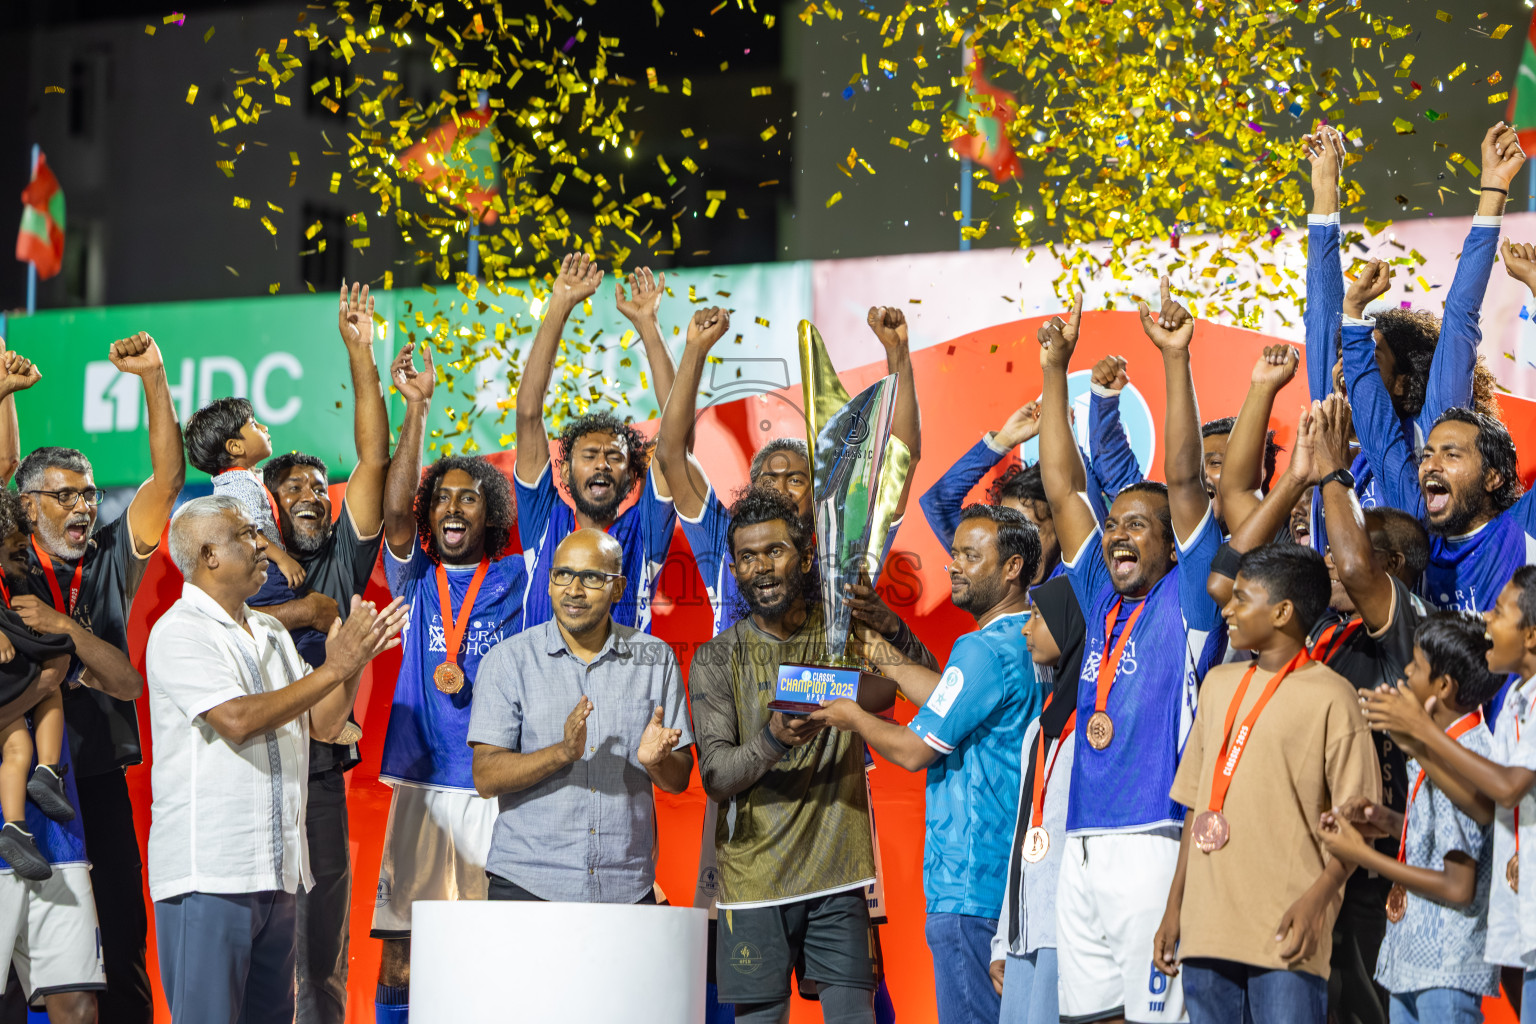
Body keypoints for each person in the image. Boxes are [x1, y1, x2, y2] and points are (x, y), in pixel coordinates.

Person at [1035, 279, 1225, 1024]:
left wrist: (1174, 359)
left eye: (1138, 526)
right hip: (1081, 843)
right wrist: (1056, 368)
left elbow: (1182, 481)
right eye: (1113, 524)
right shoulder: (1097, 596)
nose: (1117, 534)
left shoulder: (1191, 601)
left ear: (1172, 545)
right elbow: (1060, 483)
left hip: (1154, 840)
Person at [144, 495, 404, 1024]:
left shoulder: (266, 631)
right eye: (246, 534)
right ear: (209, 554)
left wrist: (351, 661)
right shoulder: (180, 631)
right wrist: (332, 670)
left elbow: (325, 725)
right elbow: (237, 719)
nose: (263, 544)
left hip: (278, 872)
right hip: (211, 876)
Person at [2, 331, 184, 1024]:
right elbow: (2, 475)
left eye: (87, 493)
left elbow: (165, 484)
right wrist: (4, 398)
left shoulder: (109, 556)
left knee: (122, 951)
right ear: (28, 507)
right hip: (14, 772)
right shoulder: (11, 559)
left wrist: (154, 378)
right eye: (65, 495)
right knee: (17, 965)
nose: (84, 507)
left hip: (95, 781)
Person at [812, 504, 1041, 1024]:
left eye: (970, 555)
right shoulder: (1034, 636)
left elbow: (915, 750)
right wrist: (874, 643)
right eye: (953, 554)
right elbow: (948, 699)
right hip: (1010, 878)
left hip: (968, 883)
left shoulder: (981, 650)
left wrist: (853, 718)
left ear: (1012, 567)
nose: (954, 566)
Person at [690, 486, 901, 1024]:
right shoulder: (717, 658)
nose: (761, 566)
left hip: (837, 875)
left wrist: (848, 669)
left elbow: (894, 690)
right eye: (747, 557)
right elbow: (715, 776)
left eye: (775, 551)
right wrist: (775, 738)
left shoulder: (840, 632)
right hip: (753, 880)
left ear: (805, 556)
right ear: (734, 568)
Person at [242, 281, 393, 1024]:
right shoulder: (232, 567)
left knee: (321, 958)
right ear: (267, 505)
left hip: (321, 779)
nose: (310, 492)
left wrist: (358, 351)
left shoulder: (341, 556)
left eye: (316, 485)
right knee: (253, 950)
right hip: (248, 774)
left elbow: (373, 457)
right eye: (292, 485)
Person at [1154, 545, 1380, 1023]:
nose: (1227, 610)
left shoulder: (1334, 696)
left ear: (1281, 611)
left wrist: (1318, 900)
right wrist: (1175, 906)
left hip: (1287, 926)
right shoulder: (1217, 683)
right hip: (1207, 925)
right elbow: (1197, 803)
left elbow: (1358, 825)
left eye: (1241, 599)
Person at [371, 344, 528, 1024]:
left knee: (496, 949)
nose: (452, 507)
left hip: (499, 784)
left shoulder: (521, 577)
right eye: (442, 498)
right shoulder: (413, 579)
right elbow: (395, 514)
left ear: (490, 514)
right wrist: (417, 406)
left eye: (470, 497)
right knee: (403, 952)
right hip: (426, 783)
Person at [468, 528, 692, 902]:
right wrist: (562, 753)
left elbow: (678, 778)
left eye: (591, 578)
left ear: (618, 589)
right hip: (528, 884)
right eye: (562, 575)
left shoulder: (655, 658)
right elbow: (485, 777)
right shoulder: (509, 661)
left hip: (626, 888)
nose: (573, 589)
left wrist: (656, 763)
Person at [1301, 122, 1509, 512]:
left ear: (1401, 384)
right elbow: (1321, 314)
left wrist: (1494, 191)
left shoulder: (1429, 435)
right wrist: (1324, 187)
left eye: (1368, 354)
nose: (1348, 363)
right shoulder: (1330, 426)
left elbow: (1460, 318)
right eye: (1345, 354)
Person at [1357, 565, 1536, 1020]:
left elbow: (1507, 791)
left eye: (1499, 611)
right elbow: (1480, 811)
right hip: (1501, 924)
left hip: (1450, 957)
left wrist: (1422, 735)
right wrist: (1394, 820)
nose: (1488, 621)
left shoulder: (1471, 740)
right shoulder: (1516, 699)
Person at [1319, 612, 1503, 1024]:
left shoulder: (1469, 755)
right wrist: (1385, 819)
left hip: (1446, 970)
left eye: (1416, 665)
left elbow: (1458, 886)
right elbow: (1445, 840)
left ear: (1443, 687)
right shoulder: (1438, 747)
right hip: (1413, 964)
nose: (1405, 671)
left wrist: (1363, 856)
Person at [513, 257, 681, 631]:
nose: (602, 464)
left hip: (623, 689)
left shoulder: (646, 529)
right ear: (566, 471)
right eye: (589, 455)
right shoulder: (544, 521)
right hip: (542, 690)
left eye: (614, 456)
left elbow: (676, 433)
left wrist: (649, 327)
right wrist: (559, 306)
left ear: (633, 473)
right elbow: (528, 414)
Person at [0, 486, 113, 1024]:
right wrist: (44, 681)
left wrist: (65, 639)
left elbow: (127, 682)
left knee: (77, 1004)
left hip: (57, 839)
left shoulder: (31, 604)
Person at [991, 575, 1085, 1024]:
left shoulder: (1095, 725)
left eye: (1037, 615)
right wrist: (1002, 940)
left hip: (1070, 931)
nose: (1026, 629)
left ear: (1071, 624)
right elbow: (1020, 840)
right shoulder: (1038, 730)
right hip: (1024, 932)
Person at [182, 395, 307, 588]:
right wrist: (283, 560)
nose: (264, 427)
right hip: (266, 570)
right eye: (254, 425)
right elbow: (252, 533)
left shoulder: (237, 481)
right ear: (235, 447)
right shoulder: (240, 484)